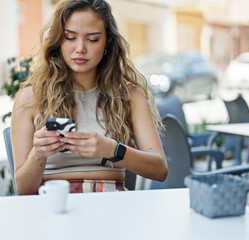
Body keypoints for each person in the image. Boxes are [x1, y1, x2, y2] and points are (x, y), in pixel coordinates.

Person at [11, 0, 167, 195]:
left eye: (92, 39)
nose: (80, 48)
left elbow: (160, 169)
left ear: (107, 42)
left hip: (111, 204)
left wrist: (112, 150)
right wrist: (39, 154)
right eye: (70, 37)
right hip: (54, 202)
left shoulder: (130, 96)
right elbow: (24, 189)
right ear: (58, 40)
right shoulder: (30, 98)